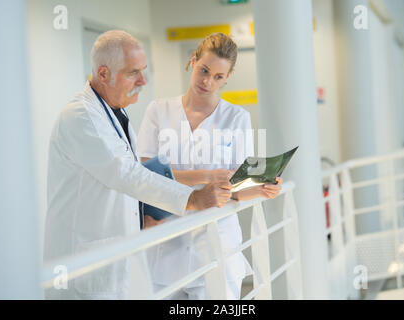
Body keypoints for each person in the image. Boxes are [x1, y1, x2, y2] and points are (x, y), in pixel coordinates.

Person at [43, 30, 232, 300]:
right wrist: (193, 198)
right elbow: (127, 175)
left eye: (143, 70)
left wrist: (141, 218)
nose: (143, 80)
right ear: (104, 74)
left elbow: (123, 178)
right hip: (85, 266)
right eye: (133, 72)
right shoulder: (82, 116)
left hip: (116, 258)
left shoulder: (115, 112)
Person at [137, 33, 283, 300]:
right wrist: (204, 176)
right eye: (204, 70)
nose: (207, 81)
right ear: (193, 60)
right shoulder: (158, 110)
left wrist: (262, 189)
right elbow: (145, 175)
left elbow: (235, 186)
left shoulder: (237, 118)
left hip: (216, 244)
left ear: (227, 78)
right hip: (164, 245)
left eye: (218, 76)